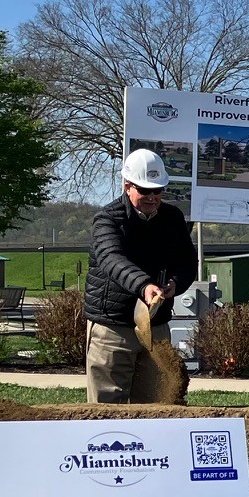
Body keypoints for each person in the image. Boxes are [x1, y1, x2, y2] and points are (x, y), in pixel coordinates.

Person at [83, 149, 198, 404]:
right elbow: (112, 260)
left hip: (156, 327)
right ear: (127, 186)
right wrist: (144, 285)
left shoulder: (173, 218)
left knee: (155, 405)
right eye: (145, 190)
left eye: (158, 190)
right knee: (105, 409)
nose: (152, 197)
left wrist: (175, 284)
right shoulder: (107, 220)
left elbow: (187, 261)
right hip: (112, 327)